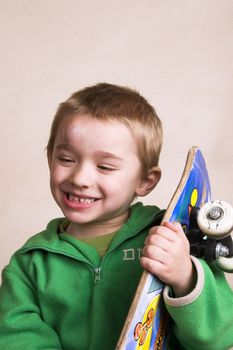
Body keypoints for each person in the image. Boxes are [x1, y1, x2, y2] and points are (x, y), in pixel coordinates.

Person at [0, 83, 232, 350]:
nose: (80, 178)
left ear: (145, 181)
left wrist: (185, 276)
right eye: (66, 159)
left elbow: (220, 337)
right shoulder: (30, 263)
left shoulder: (174, 240)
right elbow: (17, 340)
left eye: (105, 166)